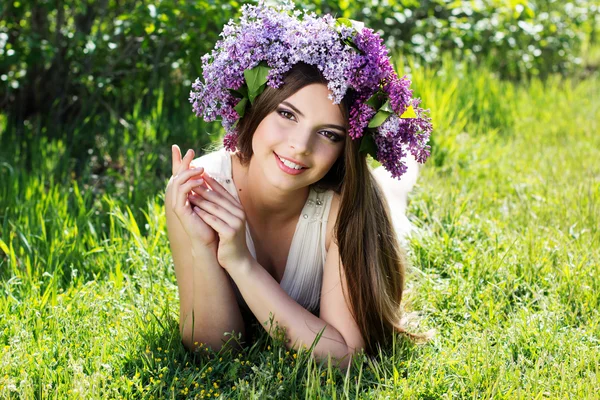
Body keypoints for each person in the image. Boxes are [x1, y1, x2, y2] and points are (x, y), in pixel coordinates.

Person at [165, 2, 433, 369]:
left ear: (344, 149)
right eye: (287, 114)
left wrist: (241, 263)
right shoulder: (198, 191)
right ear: (258, 106)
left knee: (392, 206)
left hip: (350, 206)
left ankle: (397, 183)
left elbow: (345, 358)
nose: (300, 146)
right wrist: (203, 246)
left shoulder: (344, 208)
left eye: (328, 134)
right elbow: (214, 350)